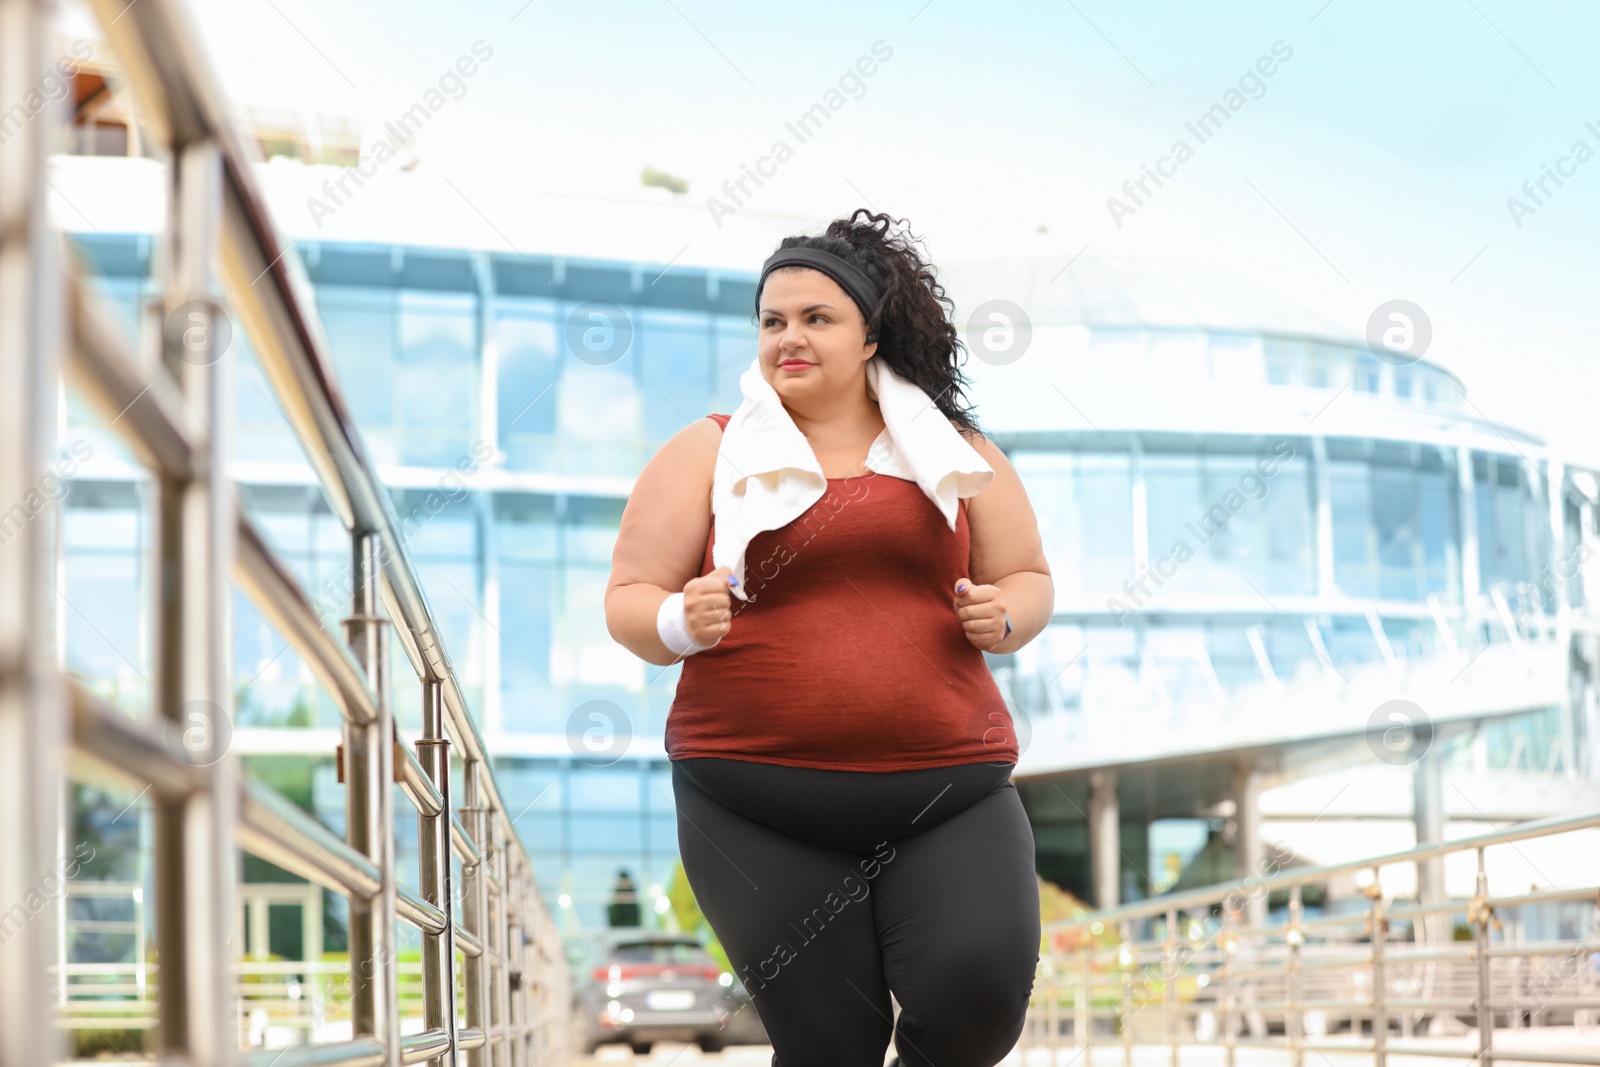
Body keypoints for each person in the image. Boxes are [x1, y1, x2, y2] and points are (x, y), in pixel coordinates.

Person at [605, 208, 1053, 1067]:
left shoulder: (954, 450)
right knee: (831, 1044)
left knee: (979, 1002)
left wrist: (1004, 616)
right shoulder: (707, 451)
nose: (788, 339)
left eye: (817, 318)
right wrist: (678, 619)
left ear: (871, 332)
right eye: (773, 321)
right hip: (755, 804)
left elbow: (1029, 576)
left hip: (947, 796)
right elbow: (628, 601)